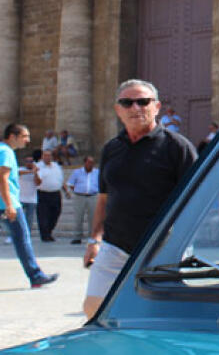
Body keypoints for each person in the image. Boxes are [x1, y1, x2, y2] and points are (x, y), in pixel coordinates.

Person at [82, 79, 198, 317]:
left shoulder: (178, 148)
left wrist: (177, 244)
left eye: (143, 102)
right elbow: (104, 200)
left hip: (162, 248)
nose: (135, 108)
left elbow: (196, 202)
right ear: (118, 110)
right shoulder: (111, 149)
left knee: (160, 315)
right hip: (115, 246)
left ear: (156, 107)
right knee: (94, 309)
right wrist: (94, 240)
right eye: (127, 102)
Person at [0, 123, 58, 291]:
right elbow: (2, 179)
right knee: (22, 238)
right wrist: (9, 205)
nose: (28, 140)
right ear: (12, 136)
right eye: (25, 136)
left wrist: (25, 172)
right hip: (2, 204)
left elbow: (4, 173)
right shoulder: (5, 153)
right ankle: (35, 275)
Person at [34, 149, 68, 242]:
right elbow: (37, 181)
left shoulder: (56, 166)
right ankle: (45, 235)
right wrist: (35, 174)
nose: (47, 157)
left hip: (56, 193)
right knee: (43, 215)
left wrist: (66, 191)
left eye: (49, 155)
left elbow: (60, 179)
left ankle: (49, 231)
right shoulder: (38, 166)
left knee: (56, 213)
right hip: (43, 194)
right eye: (45, 155)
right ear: (42, 157)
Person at [66, 156, 100, 244]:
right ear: (85, 163)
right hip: (79, 197)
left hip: (93, 196)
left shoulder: (97, 172)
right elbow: (70, 184)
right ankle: (77, 237)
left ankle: (91, 237)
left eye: (92, 162)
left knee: (92, 217)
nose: (90, 164)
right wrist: (78, 190)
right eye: (89, 162)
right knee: (78, 217)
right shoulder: (77, 172)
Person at [15, 155, 39, 239]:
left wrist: (35, 173)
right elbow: (18, 173)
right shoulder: (20, 169)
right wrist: (31, 171)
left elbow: (38, 183)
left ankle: (26, 236)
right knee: (17, 219)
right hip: (20, 199)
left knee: (29, 220)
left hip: (32, 200)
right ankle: (14, 235)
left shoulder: (37, 172)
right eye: (27, 161)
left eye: (31, 161)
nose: (29, 163)